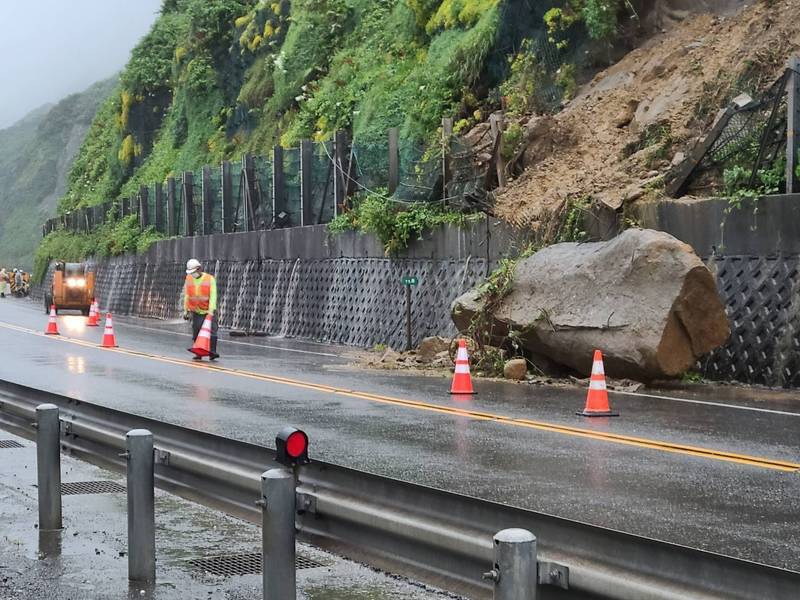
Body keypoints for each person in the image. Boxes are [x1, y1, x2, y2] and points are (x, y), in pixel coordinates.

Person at [183, 258, 219, 361]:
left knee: (212, 332)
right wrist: (186, 310)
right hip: (196, 311)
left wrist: (210, 311)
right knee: (197, 332)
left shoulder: (210, 279)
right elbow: (187, 295)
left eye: (193, 272)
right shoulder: (188, 279)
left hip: (209, 310)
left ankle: (212, 352)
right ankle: (198, 353)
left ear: (199, 269)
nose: (192, 274)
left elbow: (213, 296)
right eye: (191, 272)